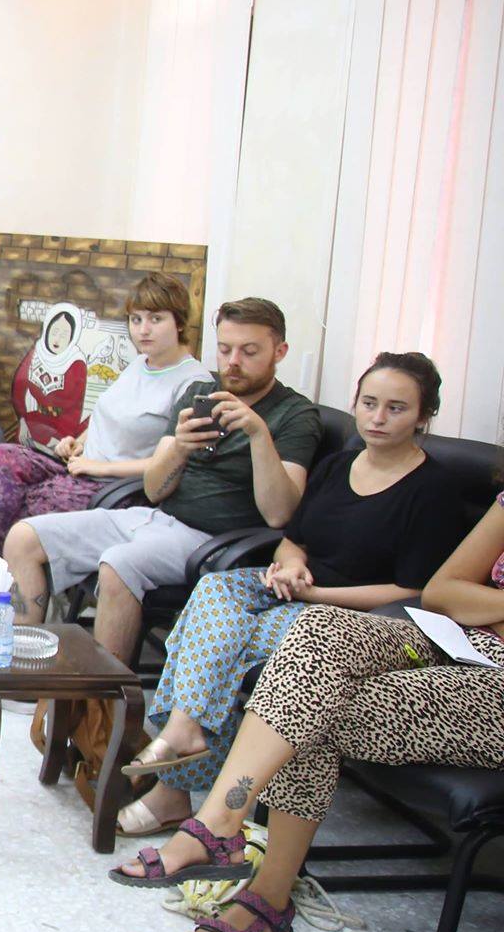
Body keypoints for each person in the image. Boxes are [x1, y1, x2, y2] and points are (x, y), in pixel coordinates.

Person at [108, 495, 504, 932]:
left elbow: (462, 595)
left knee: (313, 701)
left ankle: (265, 890)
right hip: (457, 637)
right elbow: (443, 593)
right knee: (318, 631)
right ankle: (220, 821)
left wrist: (480, 604)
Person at [114, 352, 466, 835]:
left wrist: (316, 594)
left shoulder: (434, 490)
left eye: (396, 408)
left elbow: (412, 591)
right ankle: (184, 732)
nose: (378, 418)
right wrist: (293, 565)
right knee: (214, 590)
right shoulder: (338, 466)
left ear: (424, 416)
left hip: (351, 620)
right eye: (369, 403)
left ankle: (174, 778)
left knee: (228, 644)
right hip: (295, 589)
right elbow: (292, 538)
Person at [4, 298, 323, 664]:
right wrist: (180, 448)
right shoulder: (199, 393)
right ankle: (18, 665)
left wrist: (257, 433)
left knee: (119, 564)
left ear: (279, 352)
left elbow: (280, 514)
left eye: (249, 352)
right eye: (224, 349)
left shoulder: (296, 414)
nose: (233, 361)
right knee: (23, 537)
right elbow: (155, 489)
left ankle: (104, 694)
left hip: (213, 541)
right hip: (156, 517)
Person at [0, 273, 209, 617]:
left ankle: (9, 606)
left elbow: (172, 464)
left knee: (22, 509)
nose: (143, 329)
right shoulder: (140, 365)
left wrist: (101, 467)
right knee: (3, 456)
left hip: (118, 489)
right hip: (83, 468)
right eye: (136, 319)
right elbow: (106, 416)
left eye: (156, 319)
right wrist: (78, 441)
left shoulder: (193, 383)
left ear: (179, 322)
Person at [13, 303, 88, 451]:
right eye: (55, 332)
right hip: (35, 420)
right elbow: (18, 390)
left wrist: (61, 438)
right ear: (47, 330)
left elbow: (75, 409)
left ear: (72, 338)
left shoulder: (76, 363)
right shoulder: (36, 353)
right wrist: (22, 421)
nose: (57, 339)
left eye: (64, 335)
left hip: (64, 428)